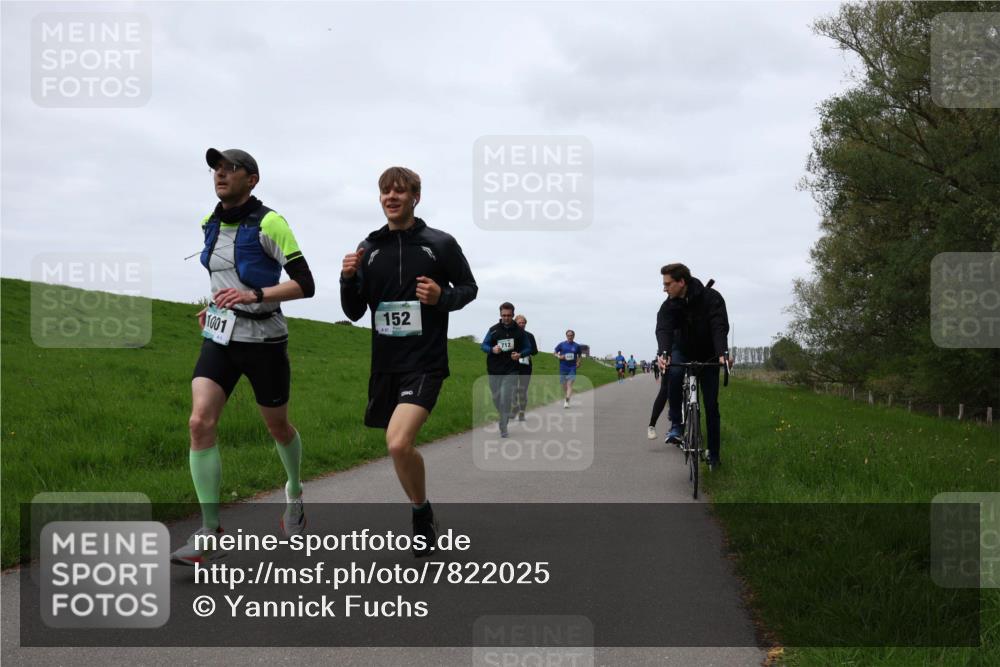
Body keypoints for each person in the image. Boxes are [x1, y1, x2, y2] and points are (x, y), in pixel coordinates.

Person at [172, 148, 316, 566]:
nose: (220, 174)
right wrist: (215, 305)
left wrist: (253, 295)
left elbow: (305, 283)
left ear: (251, 179)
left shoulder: (271, 222)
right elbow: (223, 278)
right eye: (216, 168)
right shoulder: (209, 222)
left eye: (230, 168)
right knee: (200, 422)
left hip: (265, 340)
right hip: (220, 336)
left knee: (278, 427)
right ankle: (208, 530)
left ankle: (293, 492)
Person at [341, 166, 477, 556]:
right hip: (385, 363)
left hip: (426, 360)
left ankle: (420, 515)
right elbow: (353, 311)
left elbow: (469, 287)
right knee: (396, 444)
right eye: (386, 192)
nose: (392, 197)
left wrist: (441, 297)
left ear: (415, 197)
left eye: (400, 191)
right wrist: (347, 279)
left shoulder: (440, 243)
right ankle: (423, 508)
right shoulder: (368, 248)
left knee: (398, 443)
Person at [656, 263, 732, 469]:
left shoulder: (711, 298)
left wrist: (722, 353)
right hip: (683, 349)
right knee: (675, 371)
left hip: (708, 354)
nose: (665, 289)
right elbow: (663, 329)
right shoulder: (669, 304)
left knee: (711, 406)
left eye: (668, 284)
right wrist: (663, 353)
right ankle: (676, 425)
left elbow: (719, 326)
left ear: (681, 282)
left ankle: (714, 456)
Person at [481, 303, 532, 437]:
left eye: (509, 315)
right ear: (500, 315)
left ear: (513, 315)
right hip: (494, 369)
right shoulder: (493, 330)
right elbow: (484, 345)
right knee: (496, 397)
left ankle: (503, 426)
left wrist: (520, 355)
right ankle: (503, 413)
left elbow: (528, 348)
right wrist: (492, 349)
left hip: (511, 370)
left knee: (505, 396)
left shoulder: (520, 332)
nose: (506, 318)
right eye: (504, 315)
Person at [513, 314, 539, 422]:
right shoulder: (511, 335)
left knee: (522, 390)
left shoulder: (530, 336)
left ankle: (522, 413)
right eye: (520, 322)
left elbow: (535, 351)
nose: (522, 324)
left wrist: (525, 353)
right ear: (515, 323)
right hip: (513, 365)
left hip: (525, 365)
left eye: (523, 323)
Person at [554, 330, 583, 408]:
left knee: (569, 384)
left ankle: (567, 401)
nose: (570, 337)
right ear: (566, 336)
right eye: (568, 335)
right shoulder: (562, 344)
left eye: (571, 335)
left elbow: (579, 355)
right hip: (563, 367)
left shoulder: (577, 346)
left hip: (572, 367)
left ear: (574, 336)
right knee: (564, 385)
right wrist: (559, 356)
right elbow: (554, 352)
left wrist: (578, 362)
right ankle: (567, 395)